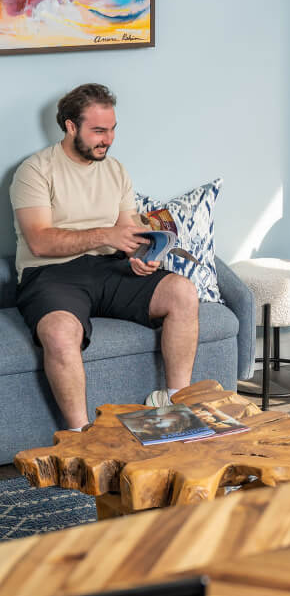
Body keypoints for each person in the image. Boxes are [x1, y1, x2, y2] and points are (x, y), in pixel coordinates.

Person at [10, 83, 199, 430]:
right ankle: (81, 434)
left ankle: (176, 405)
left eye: (112, 129)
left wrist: (142, 255)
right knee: (59, 332)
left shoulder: (115, 170)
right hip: (51, 274)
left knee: (182, 291)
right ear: (70, 126)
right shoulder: (35, 171)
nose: (108, 139)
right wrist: (105, 235)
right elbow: (39, 241)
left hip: (110, 268)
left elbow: (127, 232)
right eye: (98, 130)